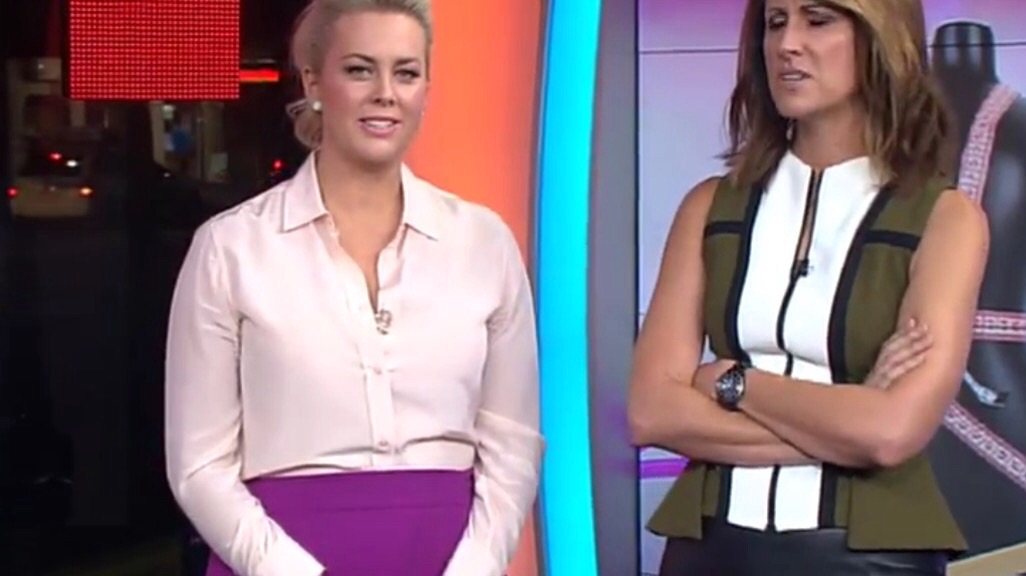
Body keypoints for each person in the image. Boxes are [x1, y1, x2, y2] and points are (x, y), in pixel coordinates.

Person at [163, 1, 543, 575]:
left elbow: (512, 443)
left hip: (450, 556)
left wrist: (477, 566)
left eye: (406, 72)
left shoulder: (484, 243)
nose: (386, 93)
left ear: (426, 88)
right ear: (314, 82)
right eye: (360, 70)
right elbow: (198, 466)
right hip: (276, 557)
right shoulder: (230, 248)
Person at [628, 0, 989, 574]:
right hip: (710, 548)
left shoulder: (946, 219)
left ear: (880, 39)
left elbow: (892, 433)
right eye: (776, 23)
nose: (787, 44)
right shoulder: (709, 206)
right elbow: (651, 412)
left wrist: (730, 381)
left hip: (870, 557)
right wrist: (848, 425)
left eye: (817, 21)